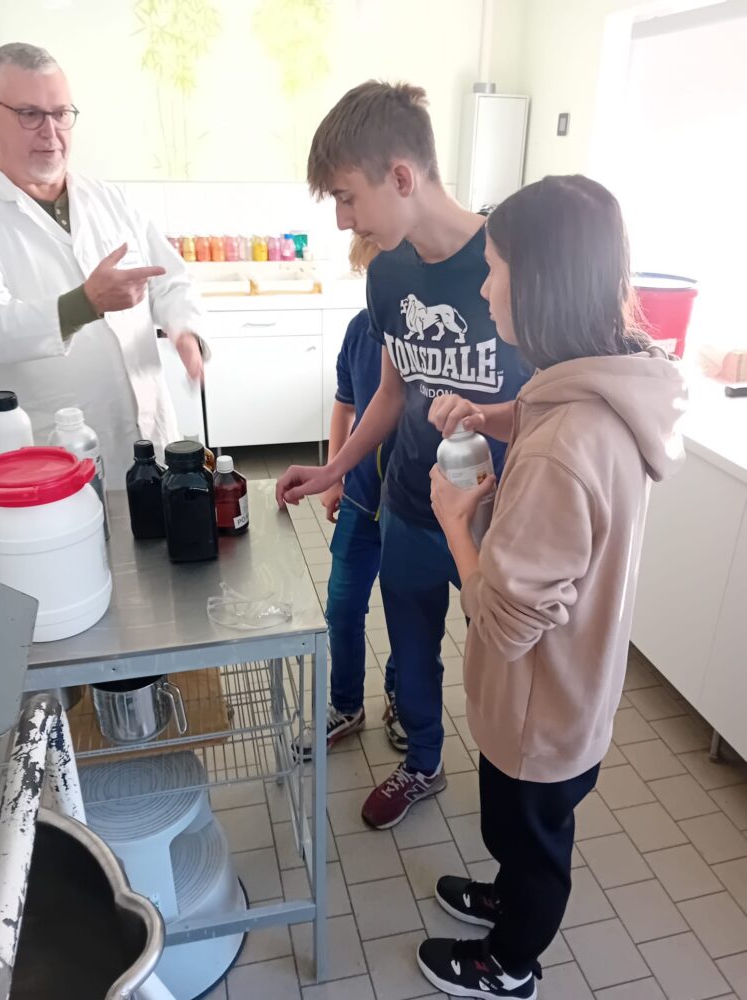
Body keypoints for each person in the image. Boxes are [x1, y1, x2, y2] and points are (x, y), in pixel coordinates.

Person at [418, 175, 687, 999]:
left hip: (540, 709)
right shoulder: (608, 385)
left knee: (533, 843)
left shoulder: (562, 449)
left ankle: (510, 962)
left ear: (538, 281)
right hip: (577, 691)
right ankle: (508, 897)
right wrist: (491, 416)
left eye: (494, 267)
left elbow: (504, 624)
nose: (483, 288)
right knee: (519, 830)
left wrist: (455, 521)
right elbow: (546, 415)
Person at [277, 81, 529, 829]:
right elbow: (390, 393)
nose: (343, 219)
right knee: (413, 654)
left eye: (346, 197)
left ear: (401, 176)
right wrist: (334, 468)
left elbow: (552, 401)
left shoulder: (512, 262)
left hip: (501, 519)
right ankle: (423, 762)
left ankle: (516, 789)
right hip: (414, 509)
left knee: (505, 666)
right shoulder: (388, 273)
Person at [0, 42, 206, 487]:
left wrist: (184, 329)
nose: (51, 132)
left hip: (150, 435)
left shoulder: (110, 199)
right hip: (50, 458)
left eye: (61, 113)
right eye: (29, 114)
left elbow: (170, 280)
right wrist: (84, 304)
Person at [297, 235, 404, 757]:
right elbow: (344, 406)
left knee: (409, 616)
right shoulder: (360, 332)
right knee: (342, 607)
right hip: (361, 496)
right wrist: (334, 475)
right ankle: (346, 704)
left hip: (413, 507)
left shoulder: (429, 341)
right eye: (373, 276)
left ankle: (401, 697)